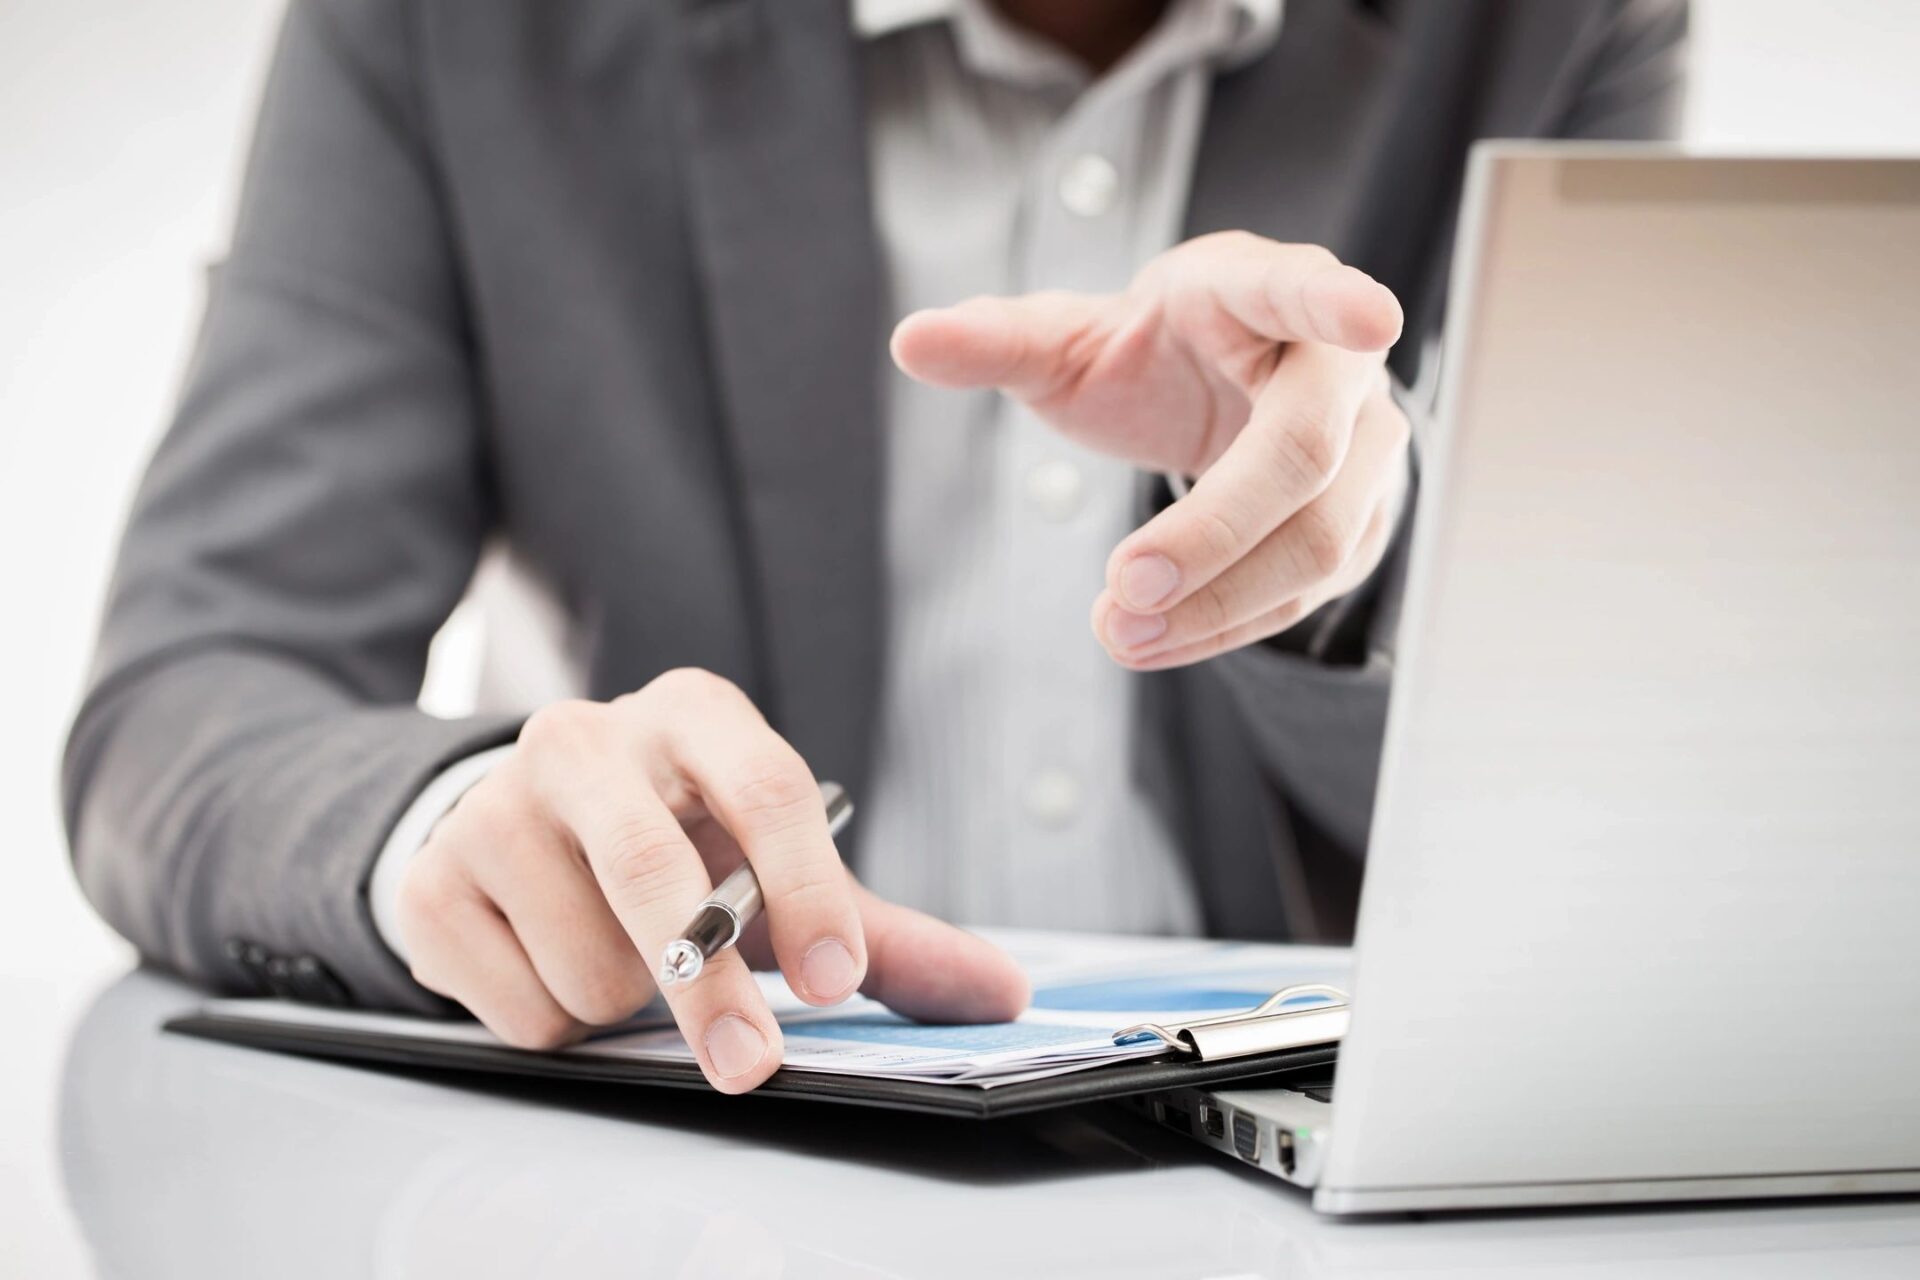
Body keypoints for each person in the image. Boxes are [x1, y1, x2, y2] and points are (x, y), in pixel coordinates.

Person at [63, 0, 1686, 1093]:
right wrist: (458, 835)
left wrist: (1361, 547)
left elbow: (1644, 770)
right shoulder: (460, 31)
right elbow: (194, 691)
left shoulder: (1553, 23)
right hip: (676, 1171)